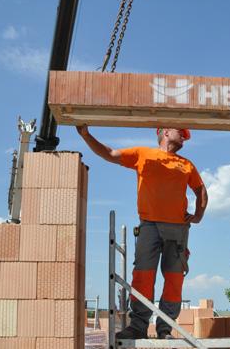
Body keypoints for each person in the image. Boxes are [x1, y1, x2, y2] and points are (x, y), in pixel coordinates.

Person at [76, 125, 208, 340]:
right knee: (143, 276)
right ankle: (138, 327)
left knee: (174, 279)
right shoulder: (143, 154)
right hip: (149, 226)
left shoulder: (186, 164)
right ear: (165, 132)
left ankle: (165, 329)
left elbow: (201, 190)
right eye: (180, 132)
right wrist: (86, 135)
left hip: (178, 229)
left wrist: (199, 214)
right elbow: (109, 154)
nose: (184, 137)